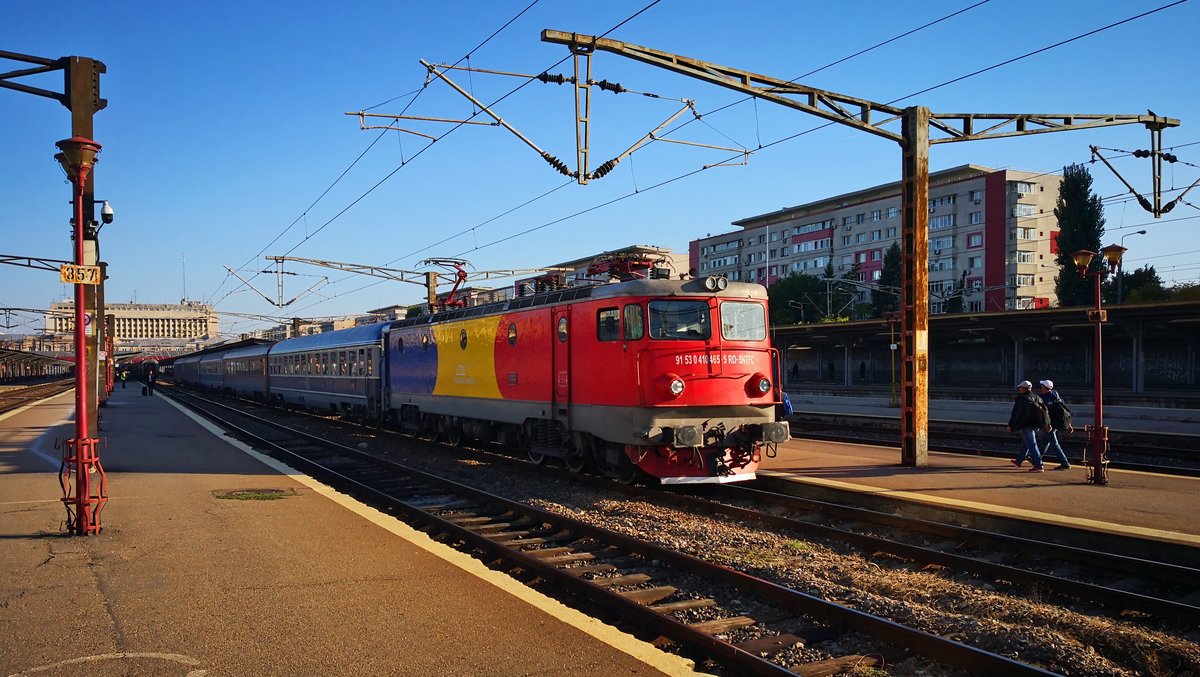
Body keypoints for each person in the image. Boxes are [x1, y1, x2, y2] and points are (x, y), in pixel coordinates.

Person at [1007, 380, 1049, 472]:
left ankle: (1039, 465)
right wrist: (1046, 423)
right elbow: (1045, 410)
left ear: (1023, 388)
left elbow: (1016, 413)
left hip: (1027, 424)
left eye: (1020, 388)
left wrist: (1011, 425)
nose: (1019, 389)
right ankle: (1019, 461)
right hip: (1036, 424)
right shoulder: (1037, 397)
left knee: (1032, 445)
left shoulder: (1022, 399)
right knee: (1026, 443)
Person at [1037, 379, 1072, 470]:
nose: (1041, 387)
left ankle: (1064, 462)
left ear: (1044, 387)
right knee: (1045, 441)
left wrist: (1047, 424)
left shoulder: (1044, 398)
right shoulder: (1057, 397)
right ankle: (1036, 458)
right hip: (1056, 423)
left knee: (1054, 443)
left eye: (1042, 386)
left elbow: (1046, 413)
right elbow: (1064, 412)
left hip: (1050, 424)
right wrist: (1069, 424)